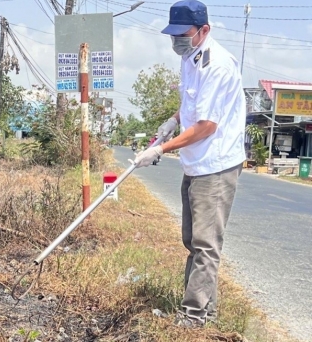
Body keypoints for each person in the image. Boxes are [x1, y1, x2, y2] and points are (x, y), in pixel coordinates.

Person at [131, 0, 246, 328]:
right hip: (195, 162)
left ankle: (193, 317)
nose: (176, 40)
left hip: (216, 165)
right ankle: (206, 311)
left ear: (204, 31)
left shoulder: (218, 65)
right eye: (173, 34)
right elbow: (192, 104)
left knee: (206, 245)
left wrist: (160, 149)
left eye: (183, 34)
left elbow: (208, 125)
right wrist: (173, 119)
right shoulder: (189, 58)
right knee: (192, 240)